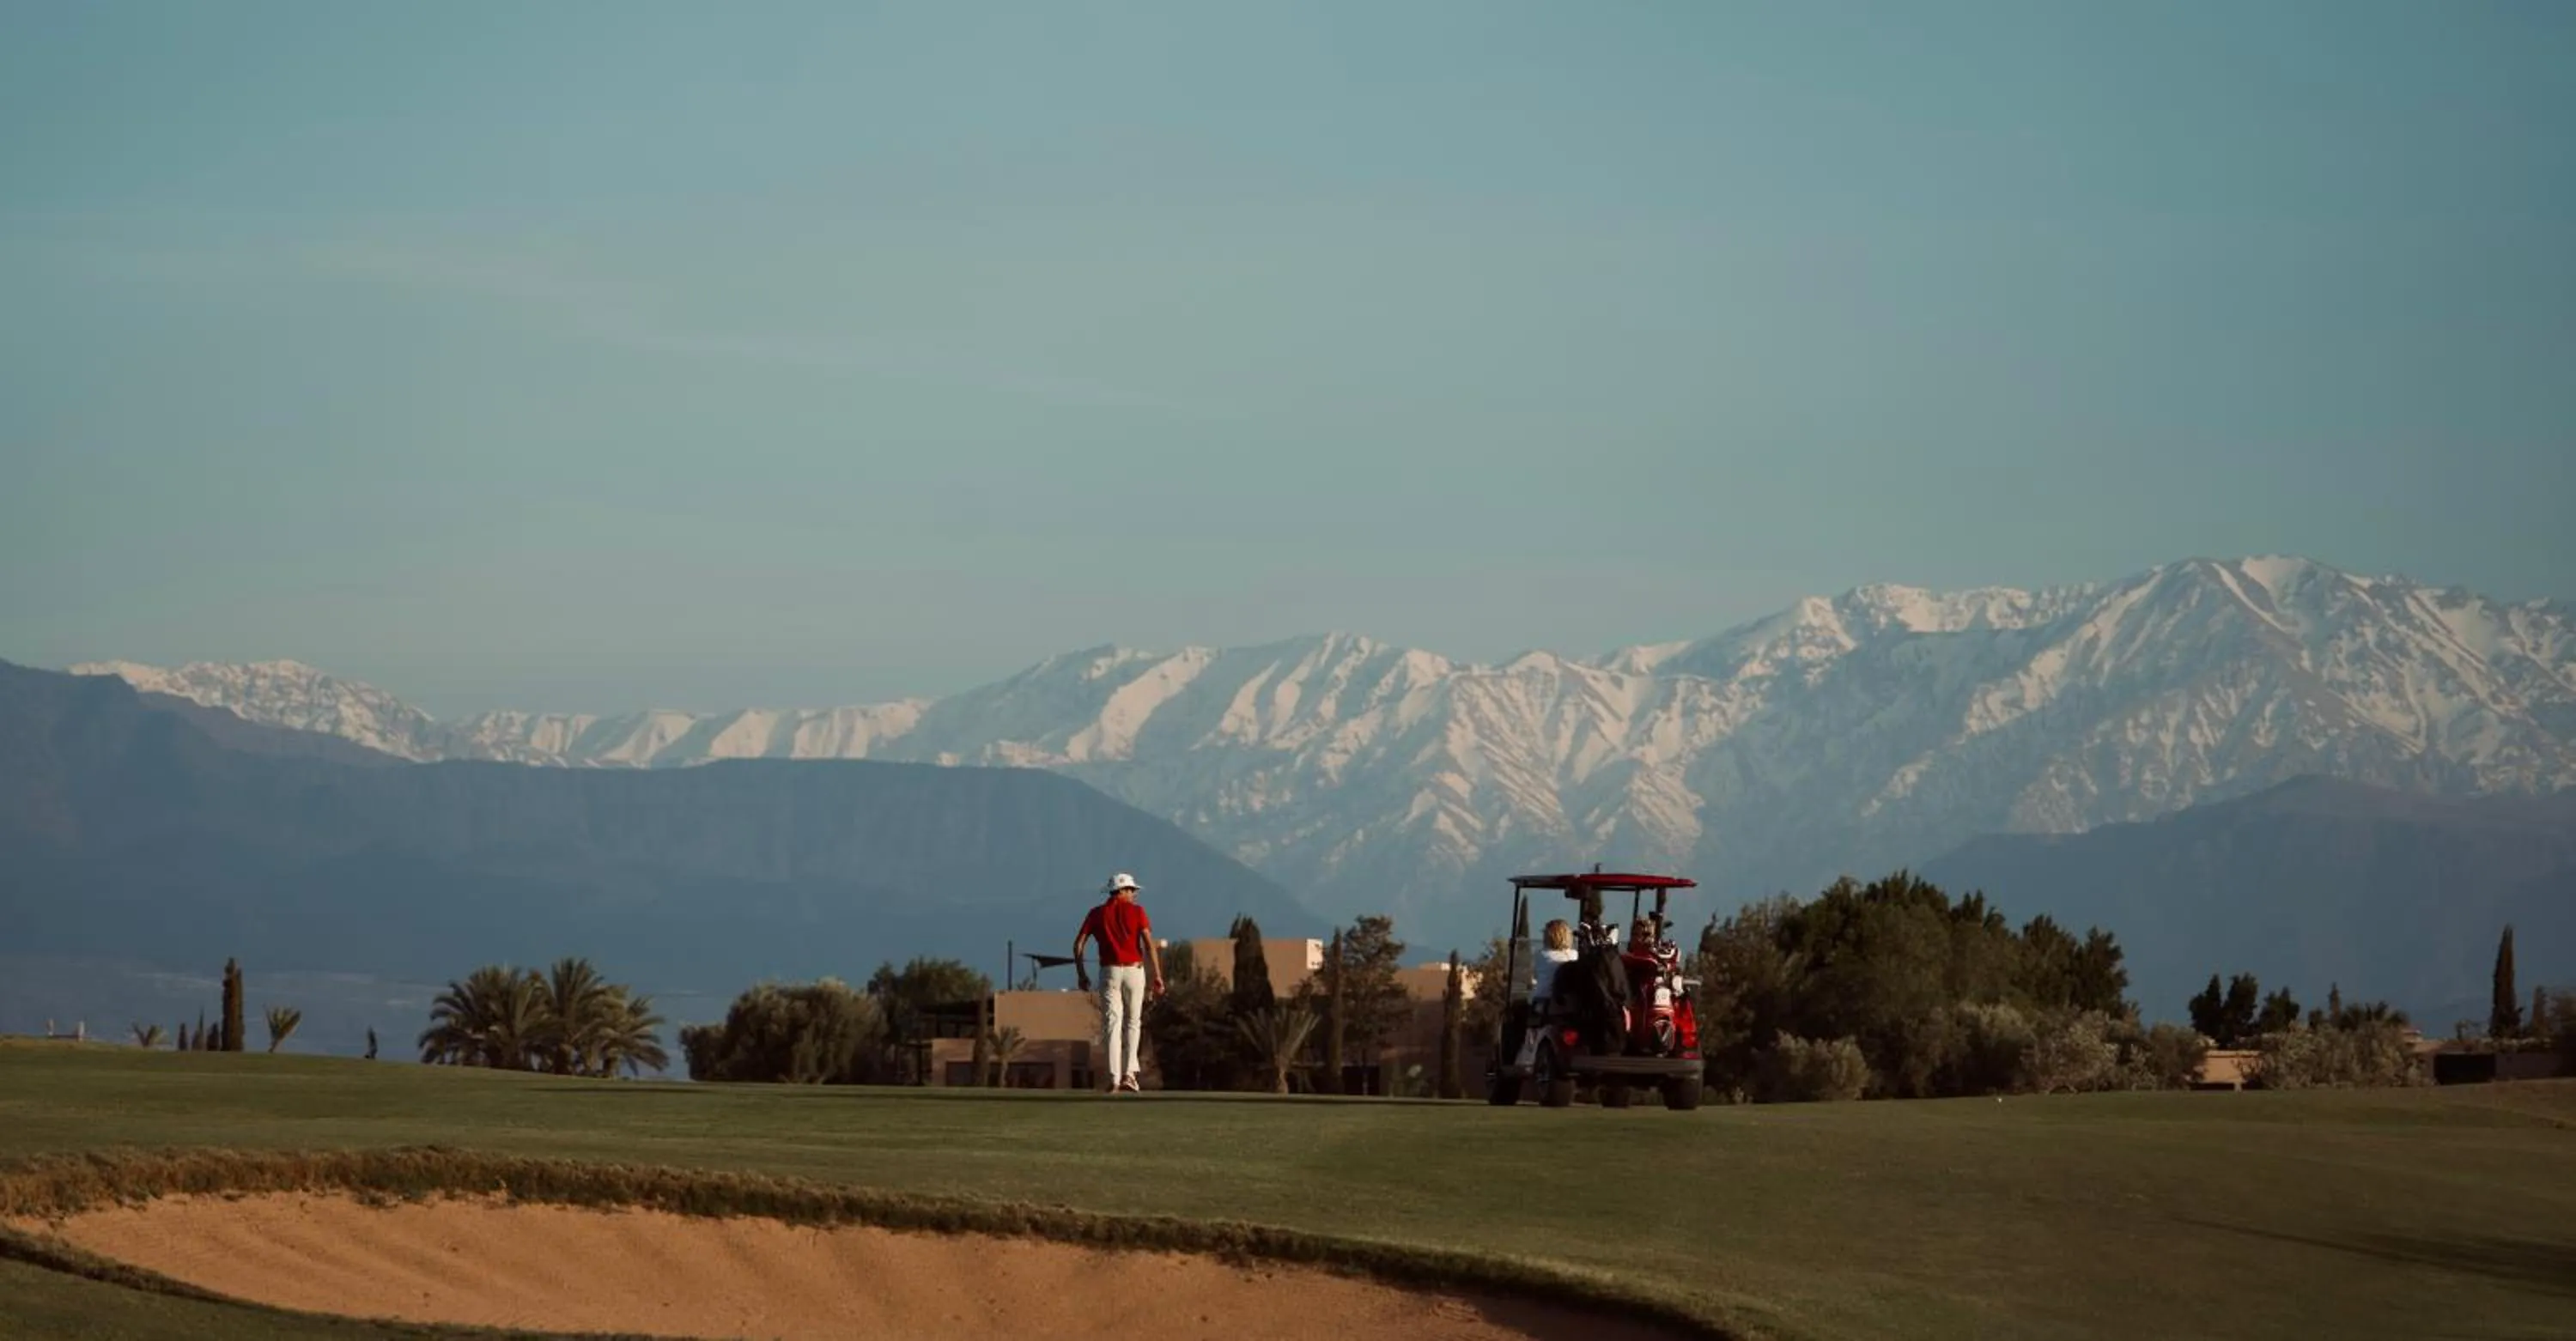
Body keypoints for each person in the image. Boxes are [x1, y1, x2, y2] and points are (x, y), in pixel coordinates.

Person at [1072, 871, 1163, 1093]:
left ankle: (1114, 1077)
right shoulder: (1138, 912)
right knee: (1133, 1022)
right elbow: (1149, 945)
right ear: (1122, 891)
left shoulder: (1096, 914)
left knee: (1112, 1024)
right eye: (1131, 890)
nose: (1134, 894)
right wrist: (1157, 976)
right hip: (1134, 970)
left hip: (1109, 971)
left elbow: (1078, 945)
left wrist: (1081, 973)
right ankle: (1130, 1075)